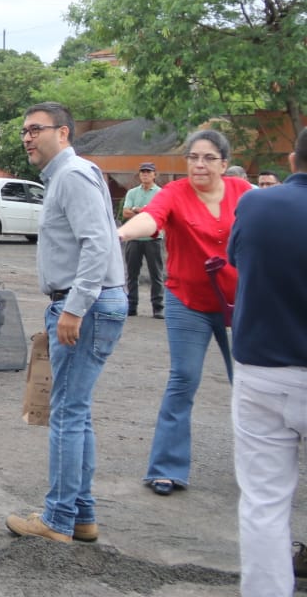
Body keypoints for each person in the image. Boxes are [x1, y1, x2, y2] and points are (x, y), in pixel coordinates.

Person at [6, 102, 127, 543]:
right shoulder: (70, 175)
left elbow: (97, 244)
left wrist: (74, 308)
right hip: (91, 302)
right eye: (24, 130)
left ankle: (57, 519)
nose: (27, 137)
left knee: (67, 414)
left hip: (84, 306)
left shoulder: (72, 175)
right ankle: (81, 515)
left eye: (36, 129)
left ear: (63, 133)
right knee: (77, 411)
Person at [117, 129, 255, 496]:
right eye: (193, 157)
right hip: (187, 301)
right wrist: (122, 234)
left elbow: (273, 223)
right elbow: (151, 219)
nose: (199, 164)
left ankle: (257, 468)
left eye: (208, 158)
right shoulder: (174, 193)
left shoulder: (244, 193)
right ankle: (166, 468)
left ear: (224, 164)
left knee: (247, 383)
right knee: (183, 379)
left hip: (239, 303)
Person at [227, 127, 307, 596]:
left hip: (264, 370)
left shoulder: (256, 203)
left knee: (264, 502)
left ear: (293, 160)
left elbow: (238, 258)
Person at [121, 162, 165, 318]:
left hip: (153, 238)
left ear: (154, 175)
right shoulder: (132, 192)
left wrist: (137, 210)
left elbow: (159, 213)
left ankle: (158, 307)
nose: (145, 174)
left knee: (156, 274)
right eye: (142, 172)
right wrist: (144, 211)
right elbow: (125, 212)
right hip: (134, 237)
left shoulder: (160, 193)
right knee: (132, 274)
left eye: (148, 172)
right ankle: (132, 306)